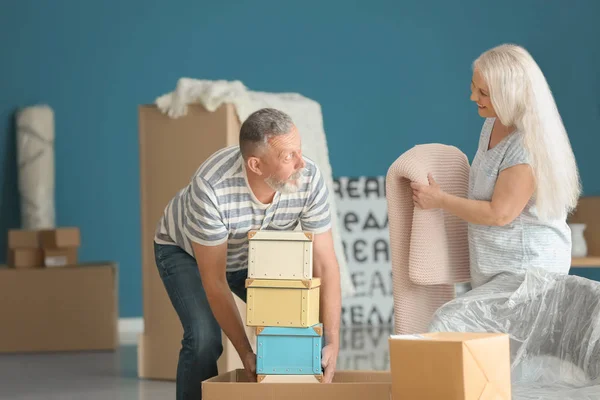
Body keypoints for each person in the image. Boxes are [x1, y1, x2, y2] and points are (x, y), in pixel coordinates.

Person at [153, 108, 342, 400]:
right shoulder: (212, 189)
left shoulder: (308, 178)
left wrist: (332, 340)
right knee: (204, 339)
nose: (301, 163)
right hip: (185, 252)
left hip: (253, 257)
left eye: (299, 151)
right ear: (256, 165)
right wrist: (246, 352)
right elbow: (215, 281)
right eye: (288, 156)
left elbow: (324, 263)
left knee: (302, 325)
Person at [410, 43, 581, 289]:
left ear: (508, 94)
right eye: (473, 88)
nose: (473, 98)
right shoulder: (493, 123)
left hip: (527, 272)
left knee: (450, 323)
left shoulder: (525, 146)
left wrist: (440, 200)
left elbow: (499, 213)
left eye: (483, 92)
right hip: (498, 269)